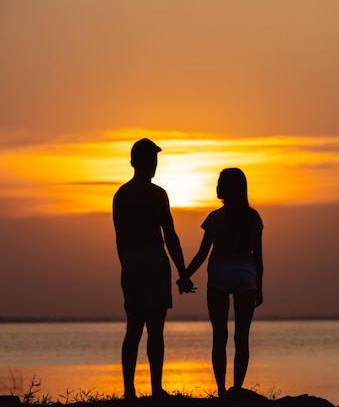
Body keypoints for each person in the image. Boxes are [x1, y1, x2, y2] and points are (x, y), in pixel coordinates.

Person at [112, 138, 194, 399]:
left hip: (135, 263)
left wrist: (126, 263)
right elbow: (170, 235)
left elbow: (120, 240)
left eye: (155, 160)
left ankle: (133, 391)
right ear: (137, 162)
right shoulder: (156, 194)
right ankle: (150, 389)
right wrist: (182, 272)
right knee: (149, 329)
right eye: (151, 160)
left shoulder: (121, 195)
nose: (154, 165)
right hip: (151, 263)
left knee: (136, 327)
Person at [179, 167, 263, 397]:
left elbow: (202, 253)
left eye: (219, 183)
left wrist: (185, 275)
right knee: (241, 338)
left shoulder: (216, 217)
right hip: (247, 278)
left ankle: (222, 391)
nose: (216, 187)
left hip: (219, 279)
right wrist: (260, 286)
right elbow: (259, 256)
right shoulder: (253, 218)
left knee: (220, 336)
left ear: (228, 188)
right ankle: (237, 389)